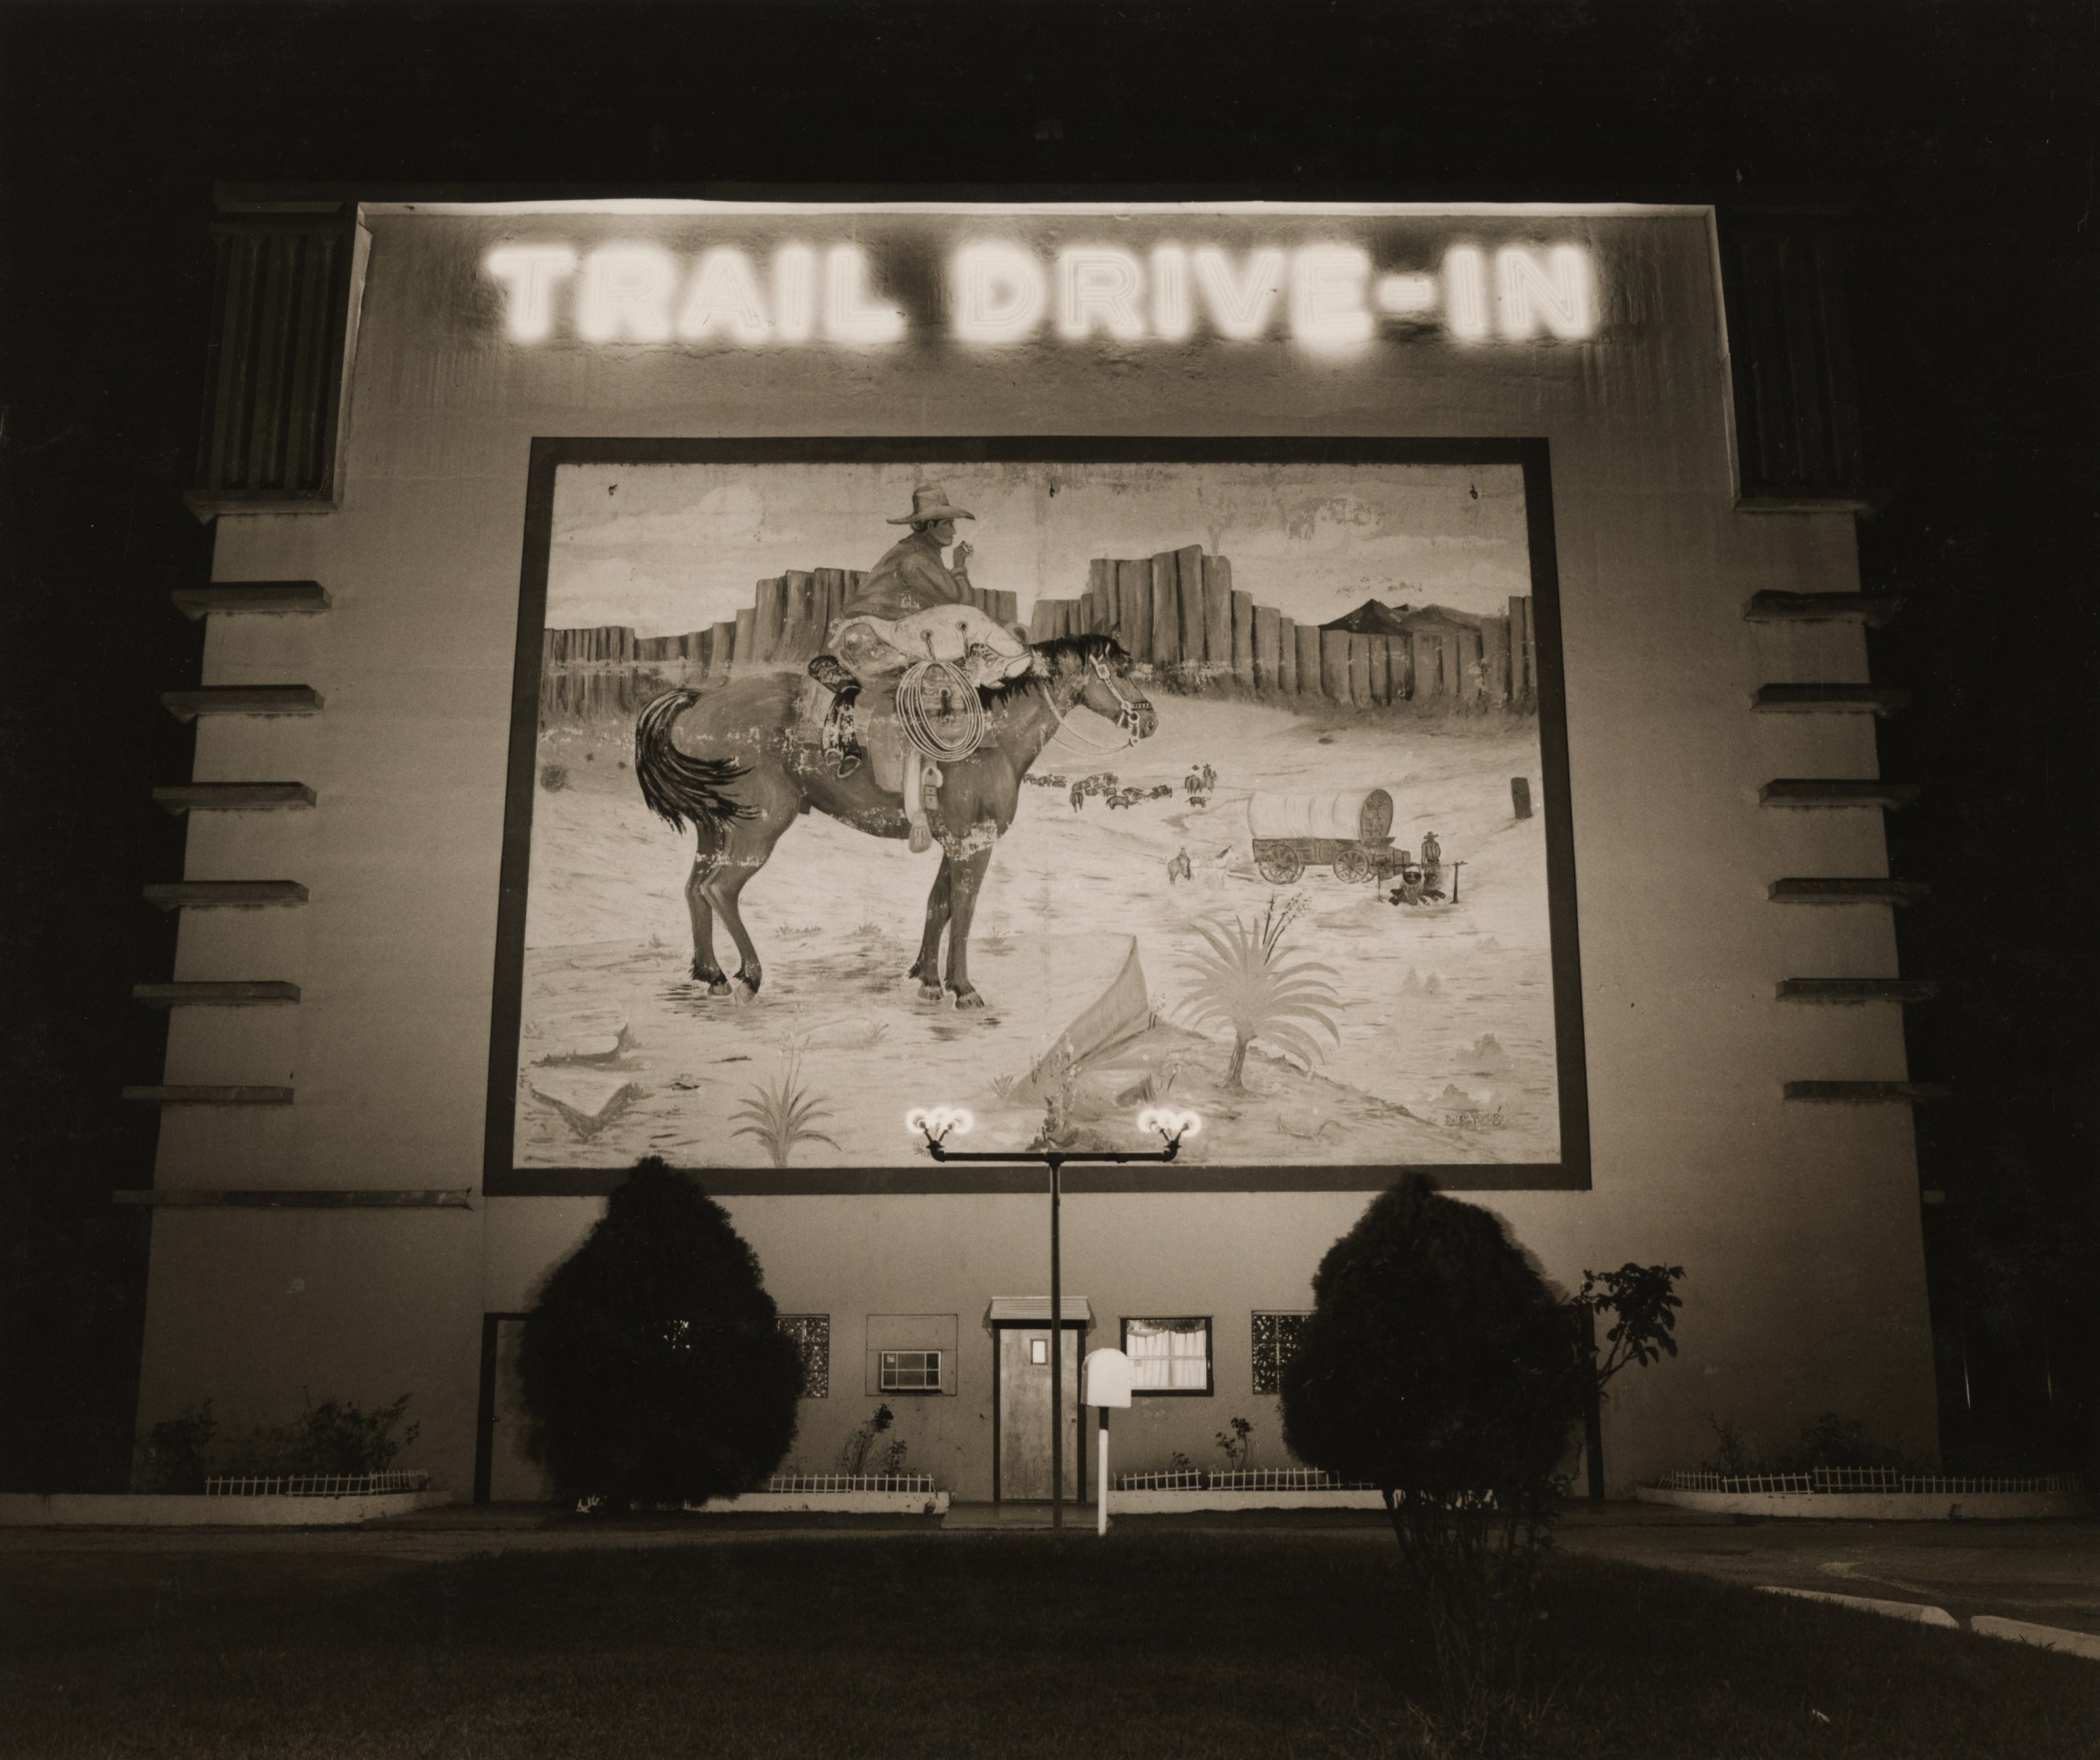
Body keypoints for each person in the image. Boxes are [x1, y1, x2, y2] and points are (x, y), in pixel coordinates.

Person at [808, 483, 1033, 851]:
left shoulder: (918, 554)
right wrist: (960, 566)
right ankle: (1009, 657)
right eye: (947, 524)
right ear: (929, 526)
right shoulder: (915, 560)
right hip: (871, 639)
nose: (953, 530)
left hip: (882, 634)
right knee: (965, 628)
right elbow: (958, 599)